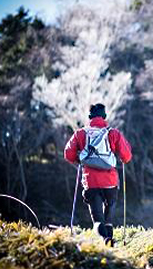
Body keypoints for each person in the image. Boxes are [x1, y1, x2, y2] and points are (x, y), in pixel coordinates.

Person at [64, 103, 132, 246]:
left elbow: (68, 154)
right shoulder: (113, 133)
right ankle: (110, 242)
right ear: (104, 116)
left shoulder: (80, 133)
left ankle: (105, 240)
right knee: (108, 218)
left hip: (91, 182)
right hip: (110, 182)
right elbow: (126, 157)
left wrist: (81, 160)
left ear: (90, 117)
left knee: (97, 220)